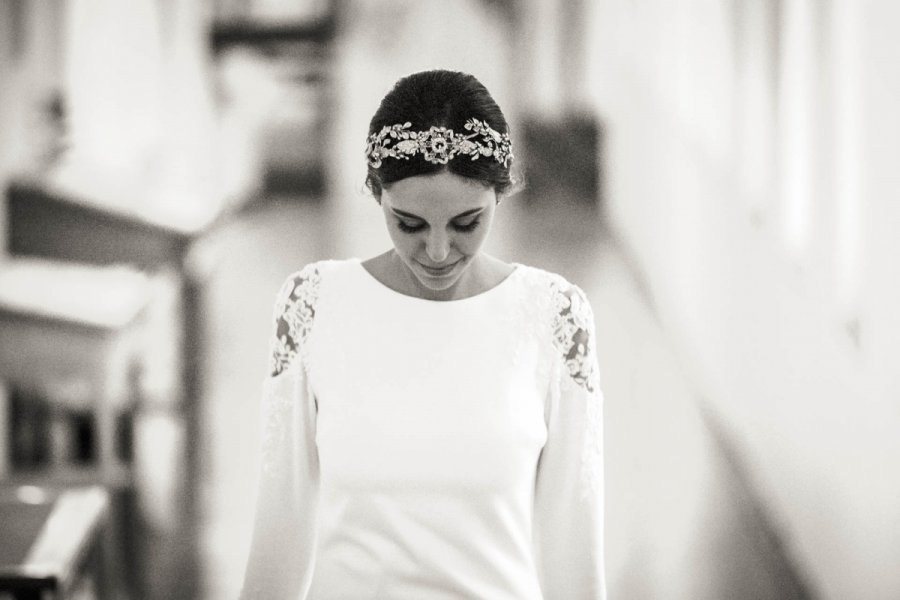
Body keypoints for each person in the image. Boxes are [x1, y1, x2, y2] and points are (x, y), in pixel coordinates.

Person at [240, 70, 606, 600]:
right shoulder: (312, 304)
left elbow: (574, 546)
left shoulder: (555, 317)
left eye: (466, 223)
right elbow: (280, 524)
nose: (437, 252)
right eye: (410, 223)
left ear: (500, 195)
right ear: (375, 192)